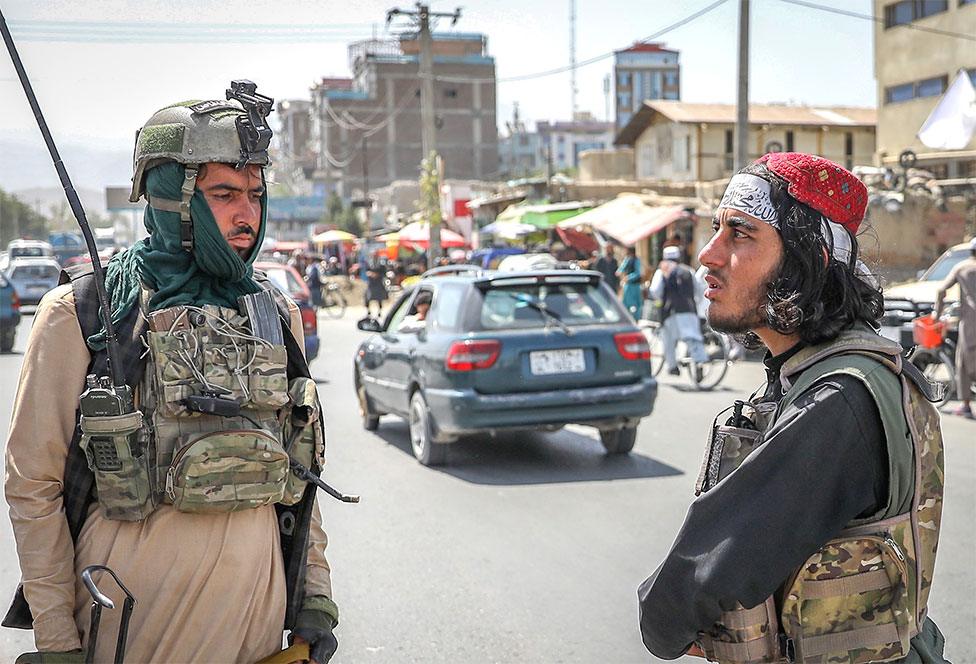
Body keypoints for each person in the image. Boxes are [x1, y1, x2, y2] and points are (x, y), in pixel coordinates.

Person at [4, 86, 340, 663]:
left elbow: (300, 470)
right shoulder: (81, 314)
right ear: (171, 199)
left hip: (255, 627)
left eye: (256, 195)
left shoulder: (270, 311)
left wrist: (314, 599)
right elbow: (33, 486)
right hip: (130, 627)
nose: (247, 214)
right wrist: (57, 635)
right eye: (224, 194)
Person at [637, 153, 948, 663]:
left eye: (741, 234)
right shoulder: (813, 372)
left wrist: (666, 623)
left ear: (809, 260)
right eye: (716, 230)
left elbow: (696, 582)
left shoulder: (838, 398)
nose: (708, 256)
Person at [932, 236, 976, 418]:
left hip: (971, 321)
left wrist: (937, 313)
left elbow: (942, 290)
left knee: (964, 361)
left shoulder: (962, 267)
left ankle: (966, 405)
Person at [648, 245, 708, 377]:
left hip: (670, 312)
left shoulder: (662, 271)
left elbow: (655, 291)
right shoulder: (689, 271)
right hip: (689, 311)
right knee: (692, 339)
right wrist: (693, 304)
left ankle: (673, 366)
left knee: (668, 340)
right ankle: (699, 362)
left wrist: (661, 301)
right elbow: (699, 291)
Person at [616, 246, 642, 318]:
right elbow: (621, 268)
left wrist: (628, 277)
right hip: (628, 285)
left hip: (635, 285)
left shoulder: (636, 260)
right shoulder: (627, 259)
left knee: (636, 304)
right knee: (625, 303)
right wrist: (619, 272)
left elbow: (638, 273)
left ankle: (636, 319)